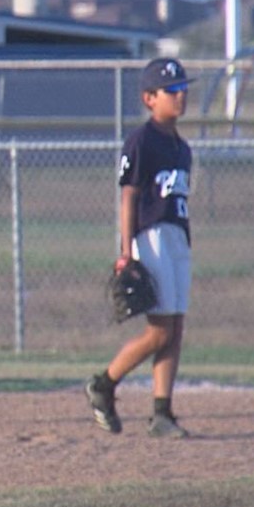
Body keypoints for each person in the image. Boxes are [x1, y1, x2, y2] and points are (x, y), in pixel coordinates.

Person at [85, 57, 195, 439]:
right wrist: (127, 251)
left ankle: (162, 413)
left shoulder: (182, 147)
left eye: (184, 90)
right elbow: (128, 196)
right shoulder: (141, 140)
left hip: (177, 237)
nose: (181, 97)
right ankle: (104, 384)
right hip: (151, 237)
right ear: (150, 98)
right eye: (172, 91)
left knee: (174, 328)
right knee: (160, 330)